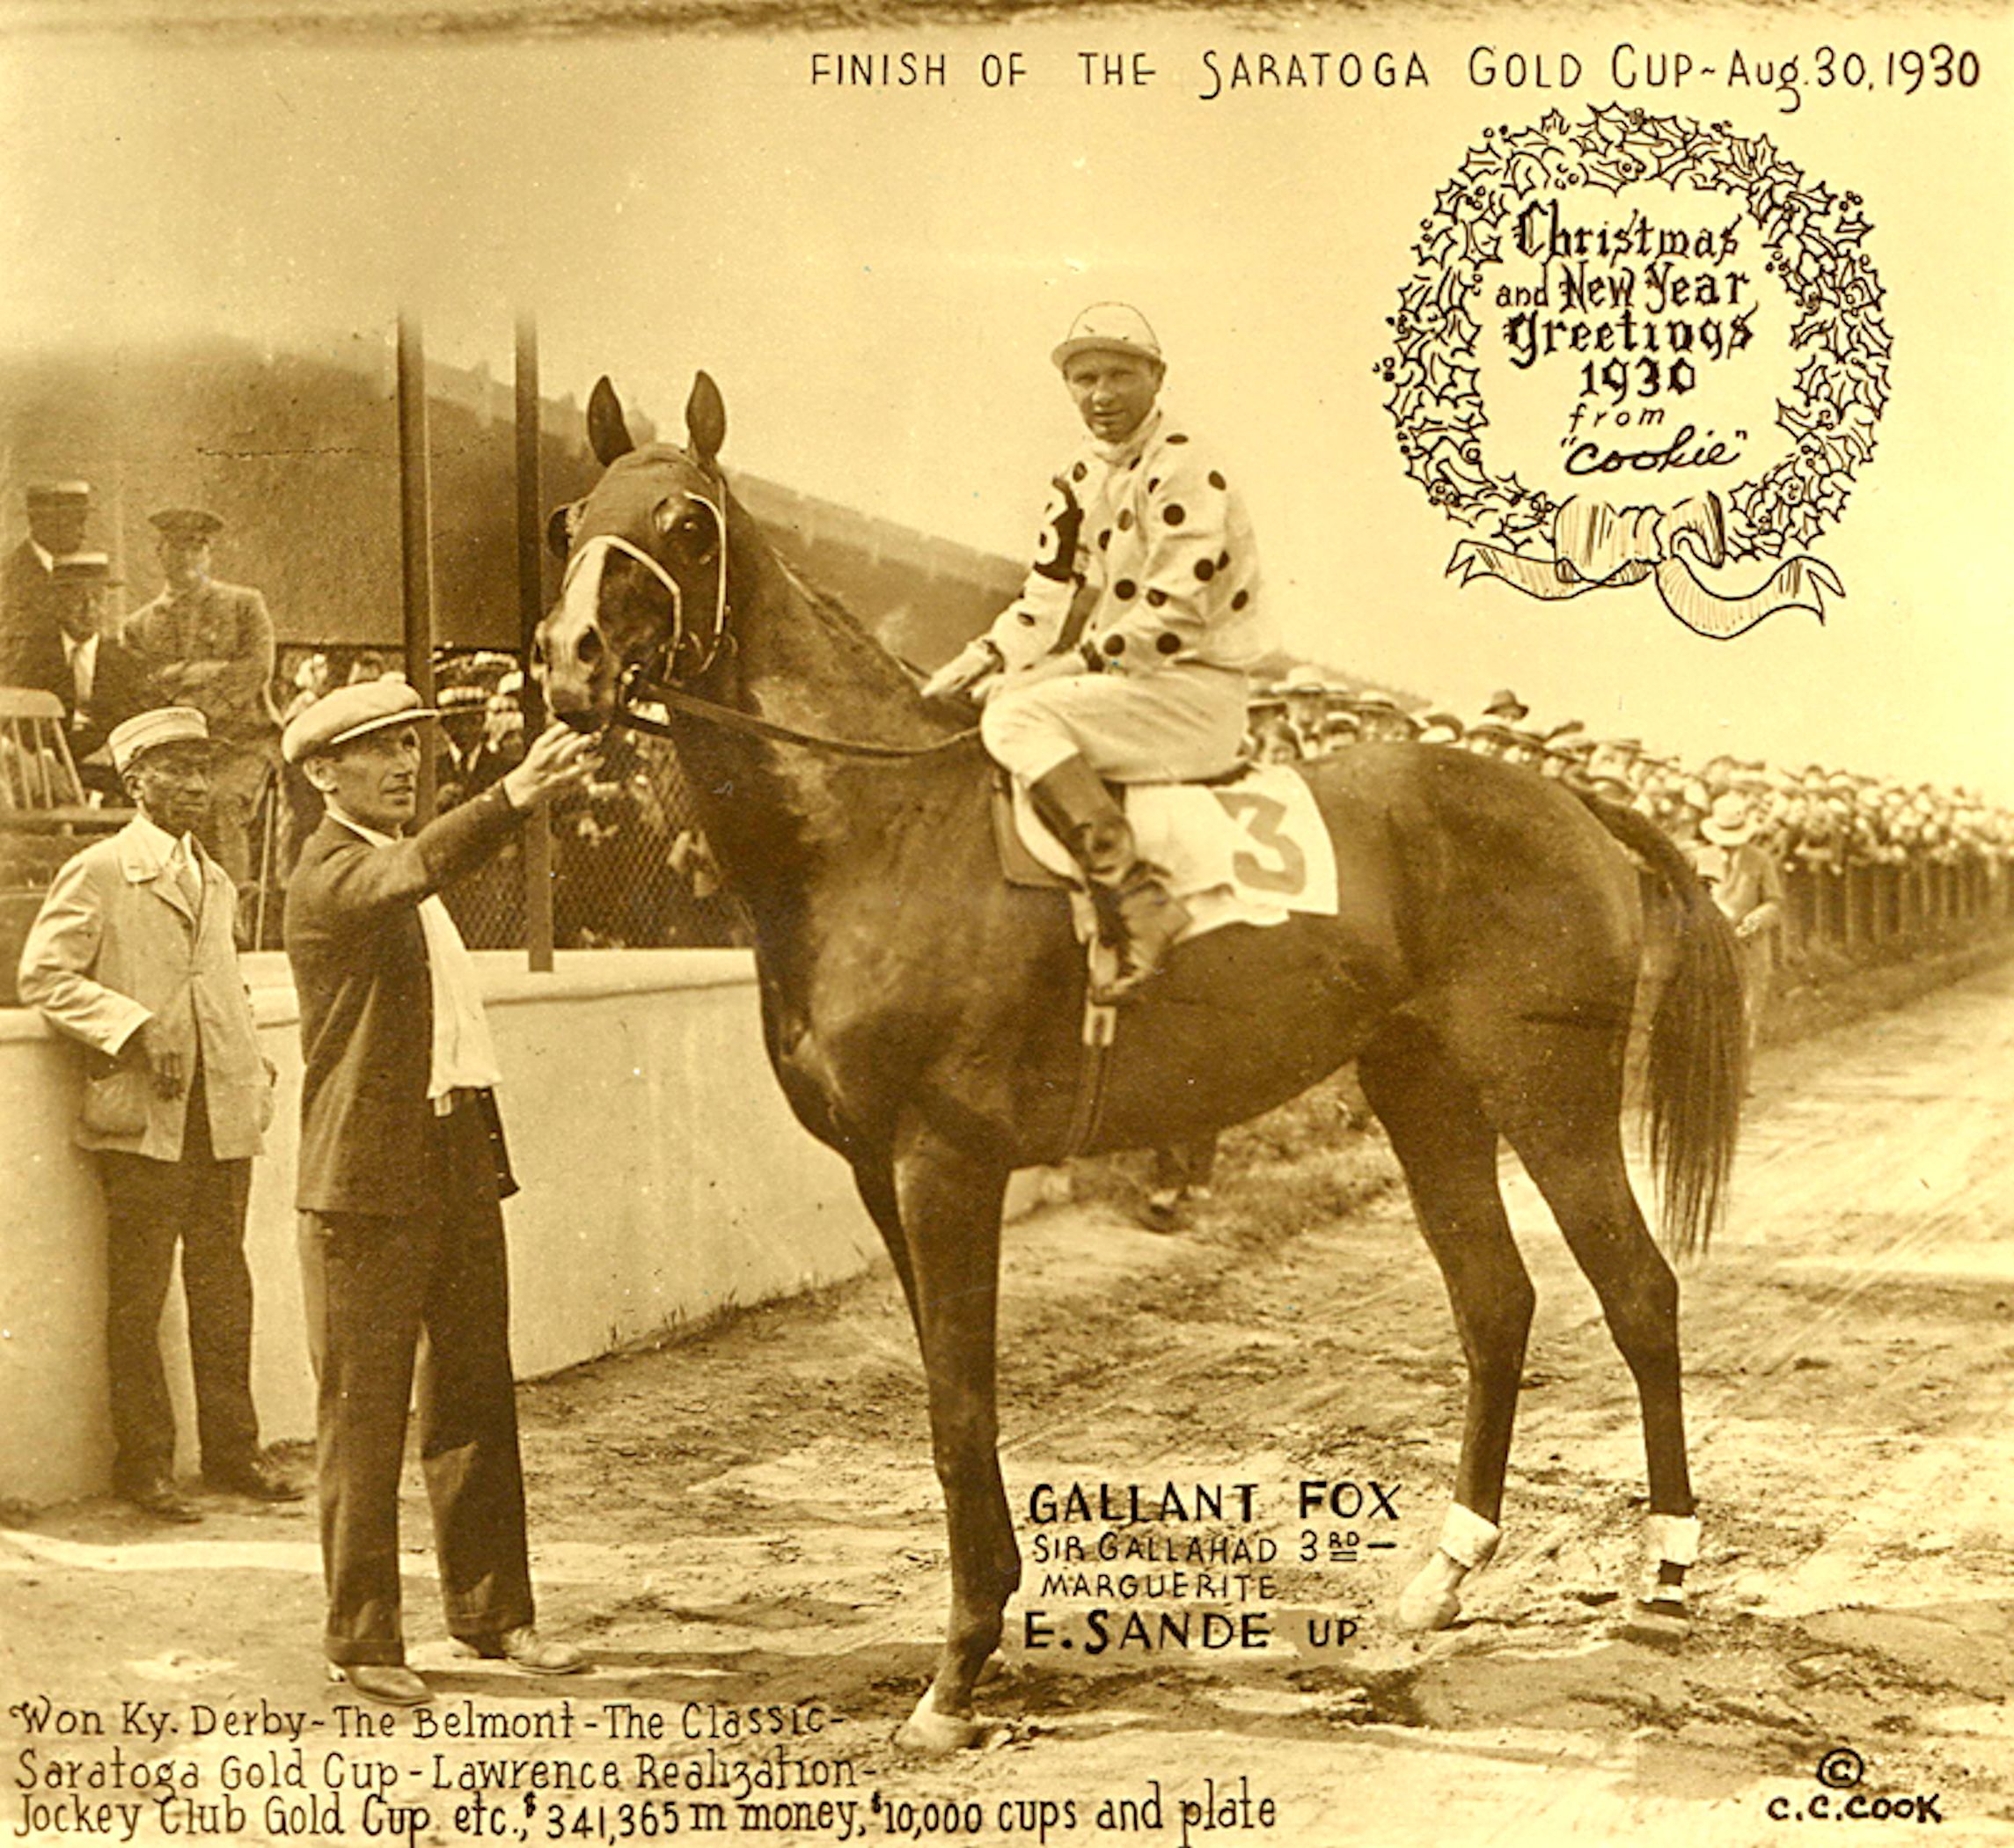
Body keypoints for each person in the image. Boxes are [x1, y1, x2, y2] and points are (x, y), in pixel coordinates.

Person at [282, 679, 597, 1706]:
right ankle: (363, 1642)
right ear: (323, 772)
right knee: (362, 1418)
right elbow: (413, 868)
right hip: (364, 1186)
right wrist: (513, 795)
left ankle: (495, 1615)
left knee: (472, 1397)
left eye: (412, 746)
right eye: (378, 750)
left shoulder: (392, 867)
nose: (405, 763)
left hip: (455, 1159)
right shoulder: (330, 873)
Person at [923, 304, 1272, 1001]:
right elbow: (1044, 598)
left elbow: (1168, 618)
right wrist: (983, 657)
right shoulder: (1078, 476)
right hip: (1133, 684)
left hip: (1191, 690)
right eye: (1083, 379)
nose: (1100, 395)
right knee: (976, 705)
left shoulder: (1186, 465)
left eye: (1118, 375)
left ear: (1157, 376)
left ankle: (1141, 903)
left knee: (1016, 720)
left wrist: (1060, 668)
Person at [17, 708, 298, 1522]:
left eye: (203, 771)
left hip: (221, 1114)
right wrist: (136, 1030)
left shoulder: (214, 877)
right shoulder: (102, 870)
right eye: (174, 770)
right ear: (136, 781)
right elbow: (46, 976)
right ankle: (145, 1467)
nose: (195, 787)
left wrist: (255, 1061)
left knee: (224, 1287)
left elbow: (225, 983)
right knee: (139, 1297)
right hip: (144, 1120)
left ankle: (233, 1453)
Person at [121, 510, 282, 891]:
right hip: (176, 750)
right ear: (160, 553)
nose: (189, 556)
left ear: (210, 555)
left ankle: (231, 918)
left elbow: (255, 669)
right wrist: (208, 670)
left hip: (242, 743)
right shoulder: (140, 625)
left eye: (199, 546)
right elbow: (143, 688)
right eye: (179, 546)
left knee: (219, 801)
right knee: (156, 805)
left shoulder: (244, 605)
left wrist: (184, 686)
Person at [5, 552, 157, 794]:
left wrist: (110, 751)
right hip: (46, 767)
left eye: (97, 598)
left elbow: (137, 721)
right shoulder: (31, 657)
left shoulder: (125, 662)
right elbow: (15, 725)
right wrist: (41, 760)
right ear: (56, 602)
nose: (89, 608)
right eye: (78, 598)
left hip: (108, 767)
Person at [1693, 790, 1786, 1063]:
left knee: (1747, 1014)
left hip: (1750, 947)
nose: (1728, 848)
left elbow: (1775, 902)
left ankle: (1740, 1079)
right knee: (1709, 1012)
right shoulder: (1700, 858)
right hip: (1709, 946)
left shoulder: (1760, 860)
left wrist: (1756, 921)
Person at [2, 480, 92, 670]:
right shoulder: (8, 577)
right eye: (76, 522)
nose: (83, 534)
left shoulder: (77, 578)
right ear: (46, 522)